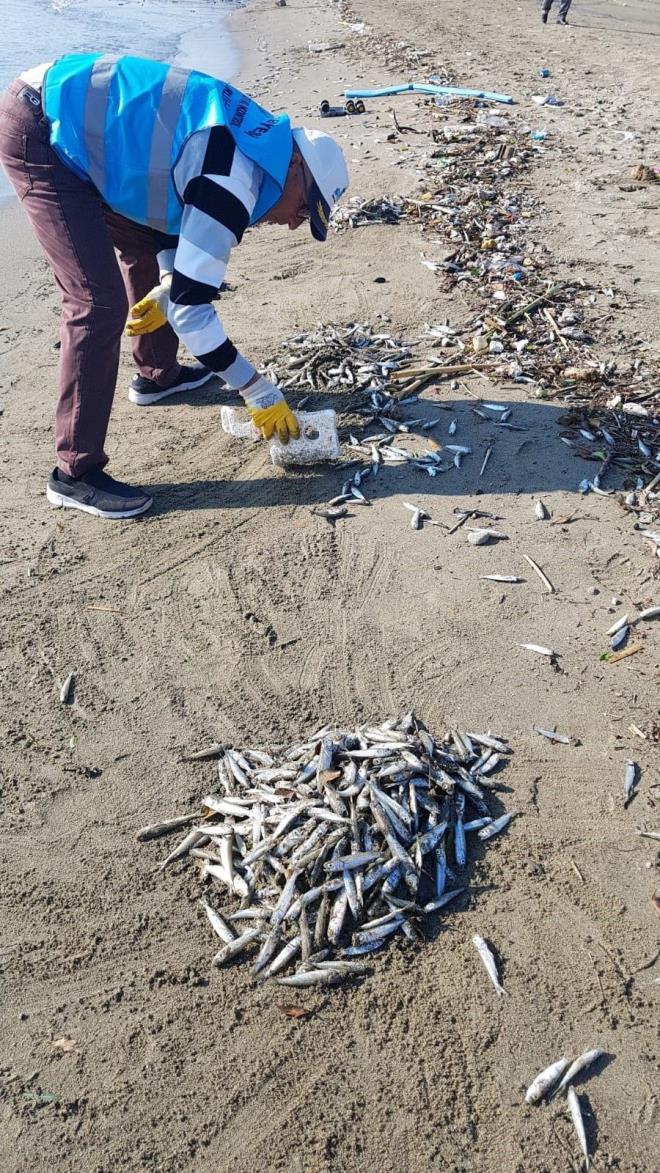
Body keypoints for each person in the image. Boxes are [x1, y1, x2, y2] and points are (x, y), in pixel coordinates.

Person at [0, 54, 348, 519]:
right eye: (305, 208)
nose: (293, 224)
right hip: (45, 127)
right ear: (295, 165)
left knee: (145, 252)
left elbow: (168, 205)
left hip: (87, 128)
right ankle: (74, 474)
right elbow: (192, 311)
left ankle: (157, 375)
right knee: (96, 303)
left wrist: (168, 280)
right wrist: (257, 390)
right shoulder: (233, 181)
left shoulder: (254, 144)